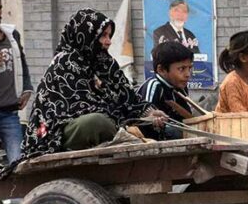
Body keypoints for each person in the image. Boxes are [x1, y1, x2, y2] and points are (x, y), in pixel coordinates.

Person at [22, 9, 167, 159]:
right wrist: (122, 125)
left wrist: (149, 113)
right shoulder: (65, 62)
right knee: (96, 121)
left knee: (147, 126)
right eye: (103, 35)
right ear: (86, 35)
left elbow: (127, 96)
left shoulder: (106, 63)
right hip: (59, 132)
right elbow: (80, 107)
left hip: (108, 123)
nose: (109, 41)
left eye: (109, 35)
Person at [0, 0, 33, 172]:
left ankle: (22, 201)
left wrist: (27, 88)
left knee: (19, 166)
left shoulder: (12, 35)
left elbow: (22, 62)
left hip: (8, 113)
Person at [138, 41, 194, 140]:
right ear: (161, 70)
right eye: (181, 69)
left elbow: (186, 118)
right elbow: (145, 121)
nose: (187, 74)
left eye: (189, 68)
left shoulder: (181, 87)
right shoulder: (155, 85)